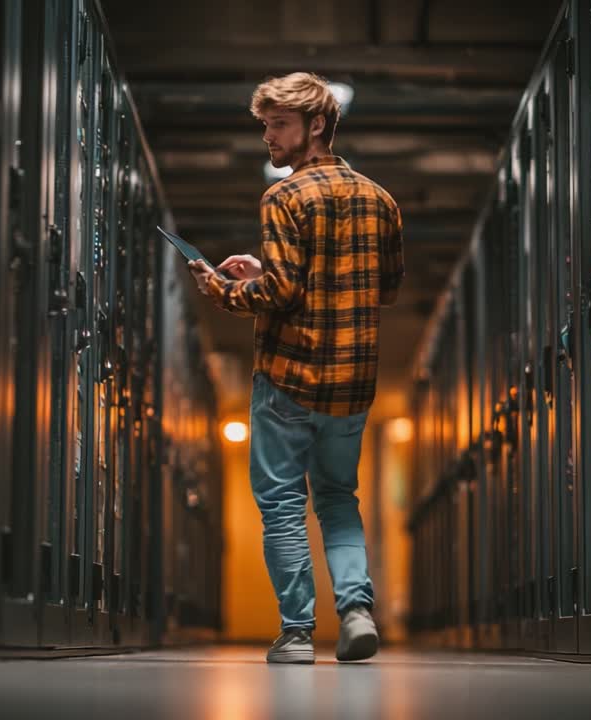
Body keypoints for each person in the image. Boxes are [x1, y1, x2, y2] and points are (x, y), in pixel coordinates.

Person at [186, 72, 405, 664]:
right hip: (353, 386)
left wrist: (223, 291)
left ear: (315, 125)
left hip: (288, 377)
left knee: (282, 505)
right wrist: (272, 272)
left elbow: (279, 294)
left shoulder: (284, 197)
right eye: (264, 126)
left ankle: (298, 632)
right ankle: (357, 610)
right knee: (339, 498)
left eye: (277, 124)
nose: (267, 137)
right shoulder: (381, 199)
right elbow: (384, 290)